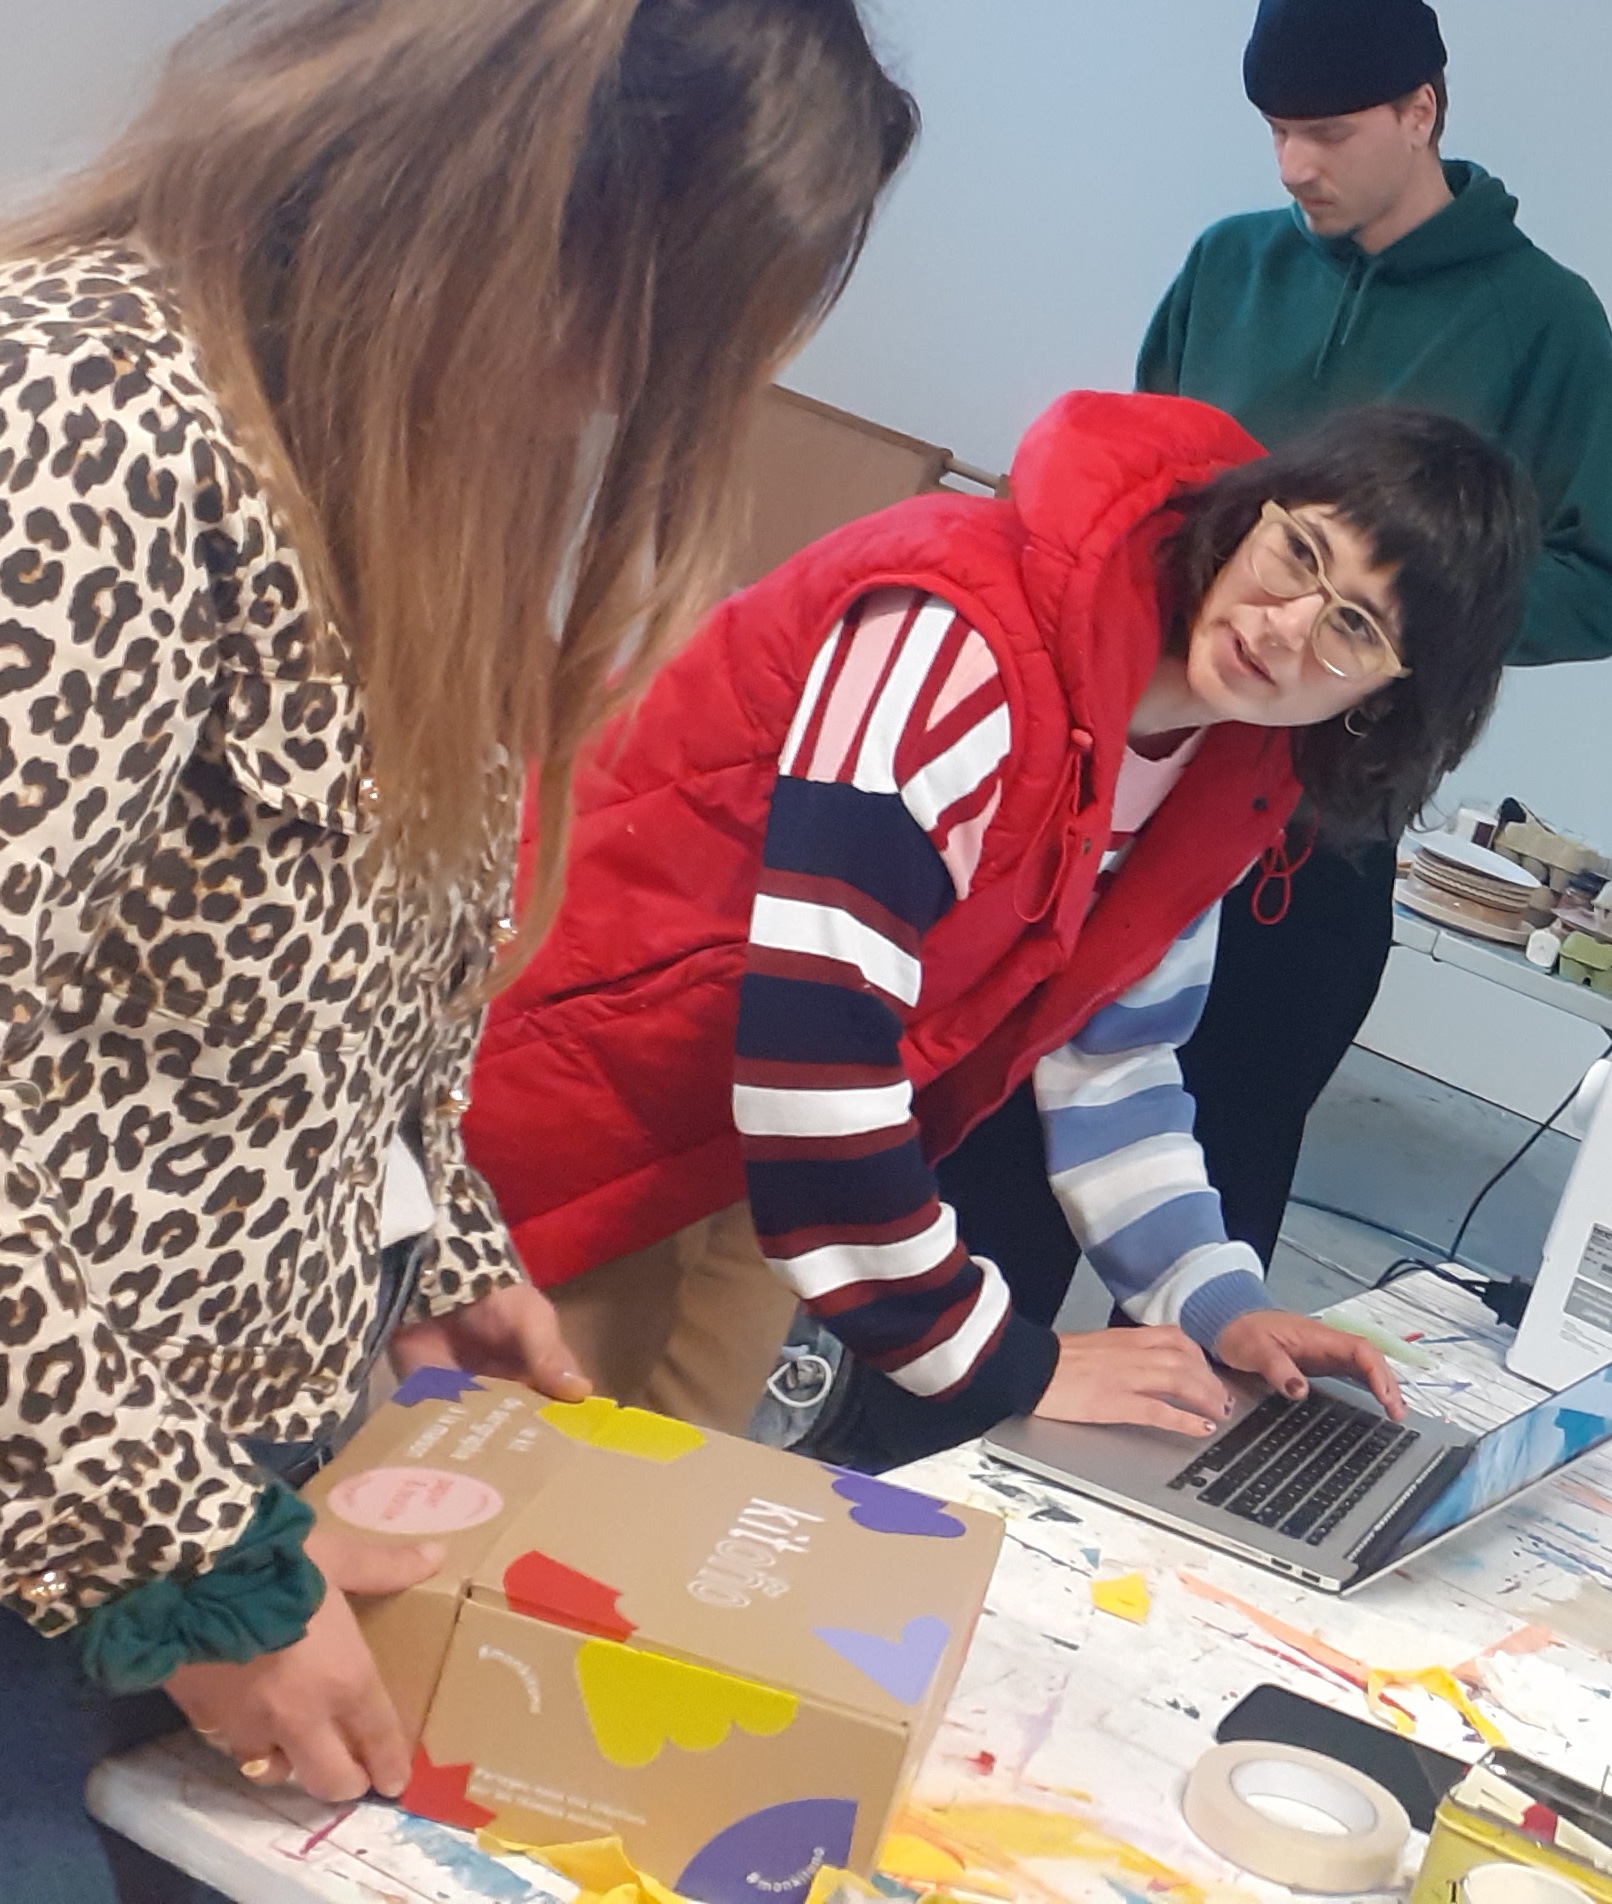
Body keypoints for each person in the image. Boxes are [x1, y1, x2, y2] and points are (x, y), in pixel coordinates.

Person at [0, 0, 915, 1893]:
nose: (614, 394)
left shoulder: (395, 473)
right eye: (639, 319)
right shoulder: (90, 424)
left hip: (221, 1492)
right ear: (498, 184)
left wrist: (434, 1240)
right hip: (74, 1524)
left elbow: (364, 994)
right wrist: (186, 1556)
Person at [465, 393, 1538, 1464]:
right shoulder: (966, 635)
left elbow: (1111, 1059)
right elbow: (815, 1036)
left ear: (1383, 701)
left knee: (639, 1511)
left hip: (748, 1159)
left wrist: (1218, 1301)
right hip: (567, 1075)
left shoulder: (1227, 768)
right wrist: (1003, 1359)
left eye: (1353, 628)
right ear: (1252, 510)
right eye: (1297, 553)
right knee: (471, 1488)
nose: (1285, 625)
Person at [920, 0, 1612, 1355]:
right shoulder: (1229, 263)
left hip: (1313, 840)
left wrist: (1396, 612)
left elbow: (1595, 589)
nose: (1294, 165)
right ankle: (921, 1420)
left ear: (1421, 111)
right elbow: (1132, 501)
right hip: (1118, 794)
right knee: (1000, 1154)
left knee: (1218, 1190)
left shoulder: (1544, 321)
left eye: (1328, 132)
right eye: (1275, 131)